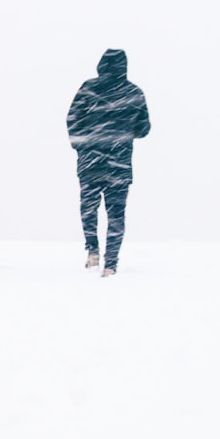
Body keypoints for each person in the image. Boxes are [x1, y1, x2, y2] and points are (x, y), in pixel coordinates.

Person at [66, 48, 151, 277]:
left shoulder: (88, 89)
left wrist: (82, 146)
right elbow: (144, 129)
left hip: (90, 162)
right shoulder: (134, 93)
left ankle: (92, 249)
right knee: (116, 214)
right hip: (119, 164)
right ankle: (110, 264)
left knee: (89, 208)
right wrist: (123, 131)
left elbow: (72, 119)